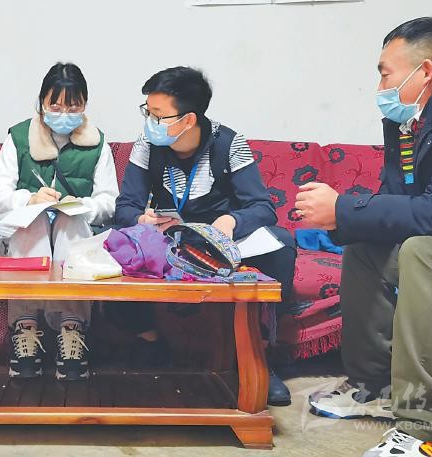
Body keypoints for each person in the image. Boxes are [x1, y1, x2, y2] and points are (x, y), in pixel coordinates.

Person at [298, 17, 432, 456]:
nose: (380, 87)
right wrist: (348, 218)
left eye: (385, 73)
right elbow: (399, 200)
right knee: (366, 243)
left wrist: (343, 207)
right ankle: (373, 385)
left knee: (425, 253)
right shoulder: (413, 118)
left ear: (426, 71)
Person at [112, 66, 297, 406]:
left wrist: (232, 221)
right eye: (147, 113)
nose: (150, 123)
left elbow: (262, 208)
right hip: (168, 239)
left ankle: (259, 358)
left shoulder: (229, 143)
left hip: (220, 242)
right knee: (108, 246)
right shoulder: (148, 144)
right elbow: (125, 207)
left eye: (158, 116)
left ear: (188, 119)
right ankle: (149, 341)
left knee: (281, 245)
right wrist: (142, 219)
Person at [0, 62, 119, 381]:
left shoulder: (97, 144)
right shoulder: (19, 137)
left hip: (76, 233)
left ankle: (72, 328)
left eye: (73, 106)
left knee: (69, 223)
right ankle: (25, 327)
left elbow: (109, 201)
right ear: (41, 103)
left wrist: (80, 206)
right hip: (22, 234)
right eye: (55, 105)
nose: (64, 113)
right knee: (32, 222)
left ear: (84, 105)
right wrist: (28, 200)